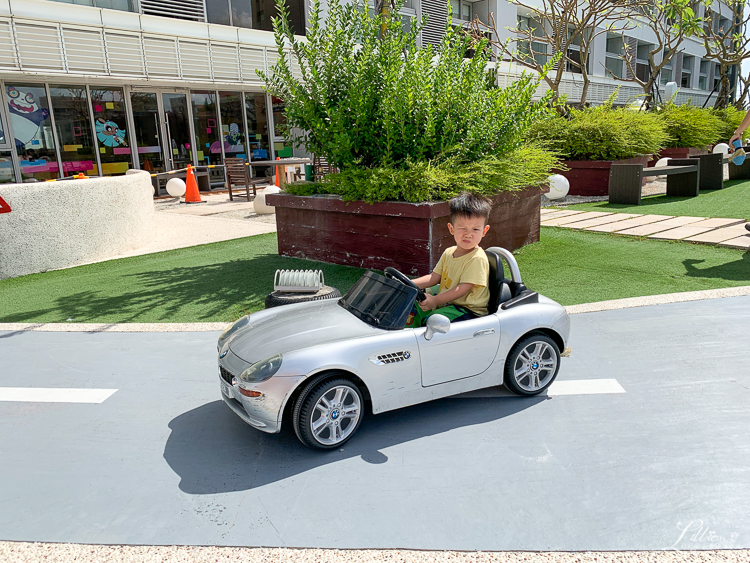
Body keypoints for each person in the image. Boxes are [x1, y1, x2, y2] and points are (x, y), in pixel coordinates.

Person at [406, 191, 492, 327]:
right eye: (462, 228)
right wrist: (408, 284)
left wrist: (435, 300)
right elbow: (434, 277)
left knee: (433, 321)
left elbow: (463, 288)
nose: (468, 234)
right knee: (411, 308)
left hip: (468, 310)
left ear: (484, 231)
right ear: (451, 229)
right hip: (448, 303)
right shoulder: (449, 252)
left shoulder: (477, 258)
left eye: (475, 229)